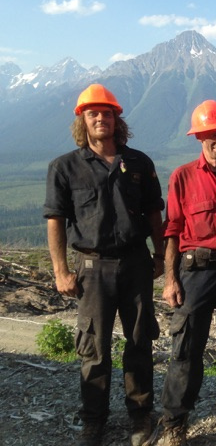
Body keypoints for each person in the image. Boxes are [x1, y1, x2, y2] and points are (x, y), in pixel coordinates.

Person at [43, 84, 165, 446]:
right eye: (93, 113)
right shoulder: (64, 167)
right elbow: (55, 220)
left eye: (107, 113)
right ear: (83, 120)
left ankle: (140, 416)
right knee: (93, 348)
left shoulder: (139, 162)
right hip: (91, 268)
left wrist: (160, 255)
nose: (100, 118)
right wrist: (60, 270)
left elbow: (154, 212)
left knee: (140, 341)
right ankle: (94, 420)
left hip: (136, 263)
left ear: (116, 119)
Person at [152, 100, 216, 446]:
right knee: (187, 347)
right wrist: (170, 278)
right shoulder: (182, 176)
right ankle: (175, 421)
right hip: (196, 269)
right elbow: (172, 230)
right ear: (199, 138)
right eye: (211, 135)